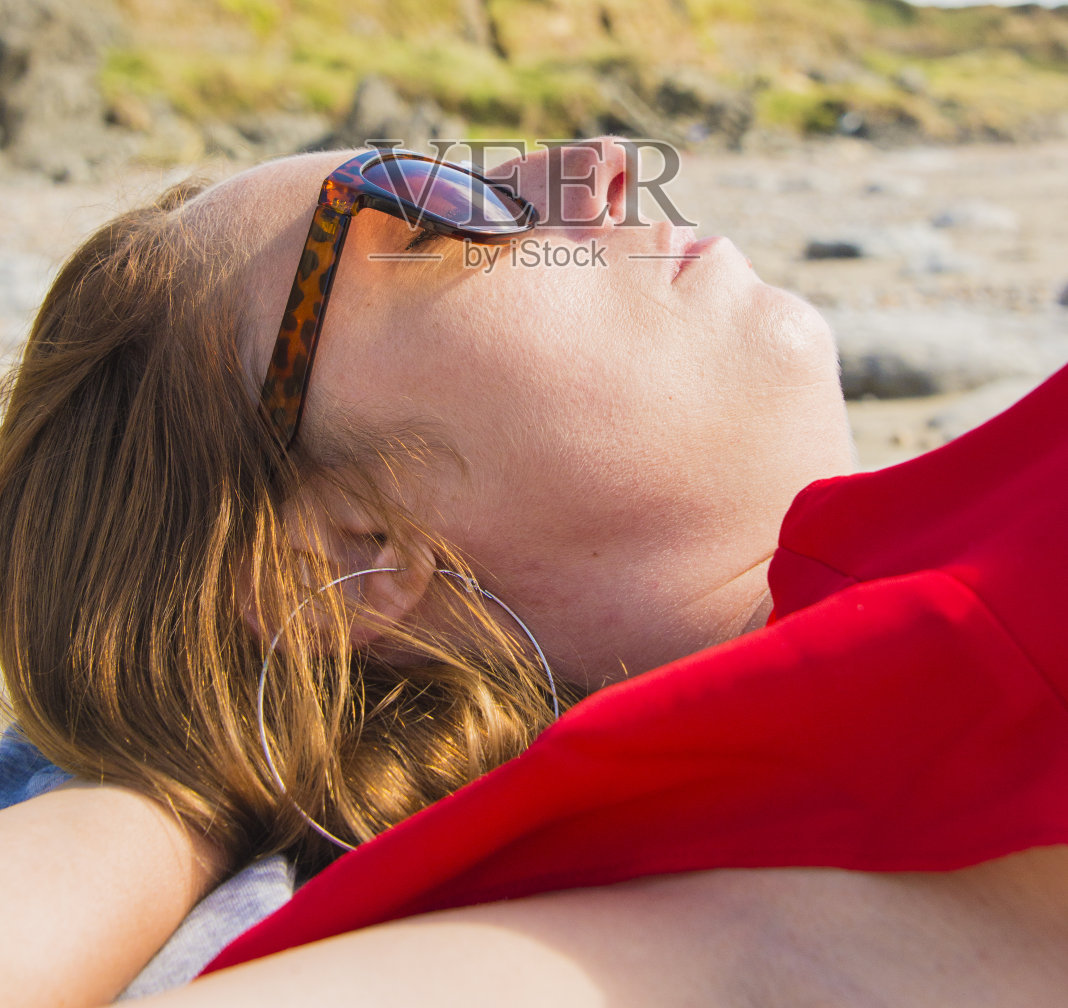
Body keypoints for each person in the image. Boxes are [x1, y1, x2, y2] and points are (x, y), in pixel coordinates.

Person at [1, 138, 1067, 1006]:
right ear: (352, 550)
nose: (600, 159)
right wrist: (174, 799)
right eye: (431, 208)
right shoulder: (686, 934)